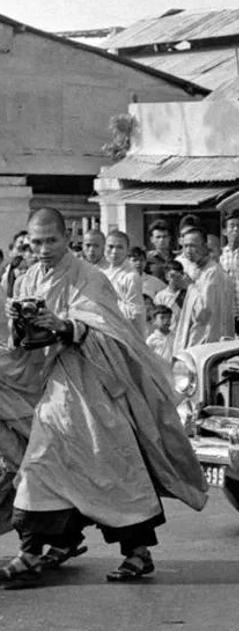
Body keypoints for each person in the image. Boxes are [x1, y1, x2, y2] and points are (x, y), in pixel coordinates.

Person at [0, 207, 207, 588]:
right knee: (42, 464)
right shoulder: (26, 278)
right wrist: (22, 329)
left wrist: (65, 326)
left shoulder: (89, 277)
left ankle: (138, 552)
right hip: (50, 387)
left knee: (112, 467)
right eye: (36, 242)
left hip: (90, 384)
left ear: (67, 240)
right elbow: (19, 341)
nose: (44, 249)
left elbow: (111, 331)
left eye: (52, 241)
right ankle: (35, 550)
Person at [173, 228, 236, 351]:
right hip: (194, 335)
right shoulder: (193, 269)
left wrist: (190, 287)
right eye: (185, 246)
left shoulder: (212, 272)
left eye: (192, 246)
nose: (188, 251)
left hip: (206, 339)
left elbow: (203, 312)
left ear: (204, 246)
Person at [102, 230, 146, 335]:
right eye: (111, 246)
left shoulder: (130, 276)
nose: (114, 251)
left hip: (123, 331)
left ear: (127, 251)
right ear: (104, 248)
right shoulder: (103, 272)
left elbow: (135, 312)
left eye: (119, 247)